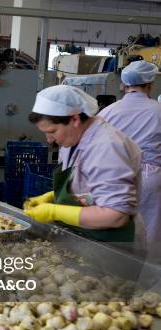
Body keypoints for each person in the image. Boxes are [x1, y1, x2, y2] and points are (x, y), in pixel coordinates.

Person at [24, 85, 142, 247]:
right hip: (87, 235)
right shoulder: (73, 139)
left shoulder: (106, 147)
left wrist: (54, 211)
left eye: (52, 131)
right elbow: (88, 183)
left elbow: (116, 215)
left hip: (112, 243)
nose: (49, 140)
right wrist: (53, 195)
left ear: (74, 119)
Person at [97, 61, 161, 257]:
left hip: (115, 176)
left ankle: (116, 274)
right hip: (151, 177)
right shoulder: (158, 110)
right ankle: (148, 281)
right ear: (150, 84)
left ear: (124, 85)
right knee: (150, 231)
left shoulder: (106, 113)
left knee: (118, 227)